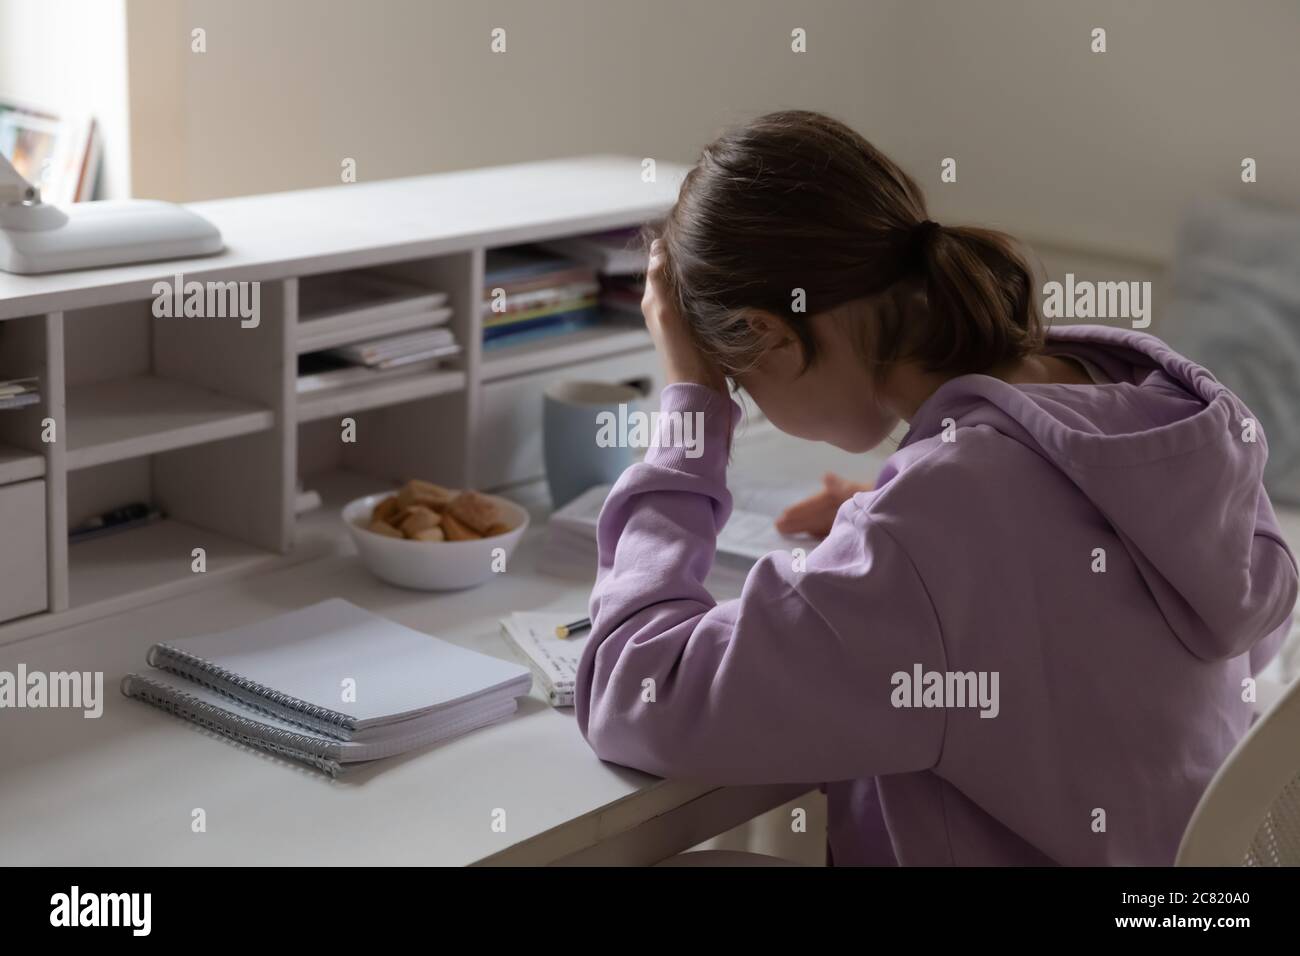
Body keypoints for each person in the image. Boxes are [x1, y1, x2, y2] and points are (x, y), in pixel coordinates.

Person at [574, 110, 1297, 865]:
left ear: (774, 336)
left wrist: (690, 408)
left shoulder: (936, 526)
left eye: (738, 384)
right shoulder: (1172, 417)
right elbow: (1235, 635)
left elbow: (638, 690)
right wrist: (898, 521)